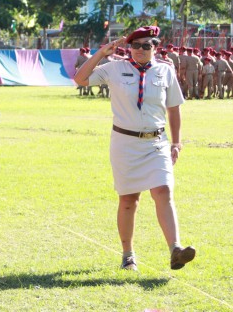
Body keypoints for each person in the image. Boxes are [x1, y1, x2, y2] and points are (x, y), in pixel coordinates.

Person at [74, 26, 195, 272]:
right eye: (136, 45)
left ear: (155, 47)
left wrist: (176, 141)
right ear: (129, 48)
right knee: (129, 200)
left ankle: (175, 249)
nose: (141, 50)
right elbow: (80, 78)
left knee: (163, 191)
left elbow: (174, 108)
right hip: (125, 143)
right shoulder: (115, 68)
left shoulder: (165, 70)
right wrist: (102, 53)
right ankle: (128, 254)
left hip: (156, 142)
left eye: (146, 45)